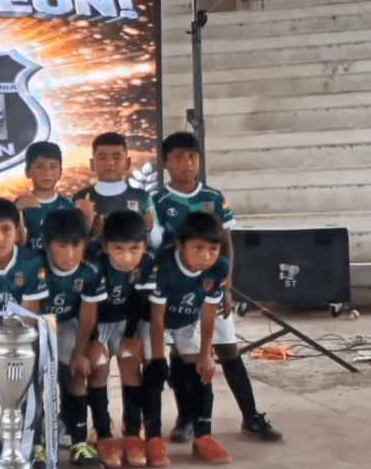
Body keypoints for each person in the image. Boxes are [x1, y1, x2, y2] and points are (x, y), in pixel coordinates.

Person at [153, 132, 281, 443]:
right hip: (179, 292)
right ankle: (186, 417)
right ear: (165, 162)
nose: (186, 163)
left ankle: (251, 416)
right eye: (178, 157)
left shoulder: (213, 197)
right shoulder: (157, 202)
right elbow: (157, 248)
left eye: (192, 157)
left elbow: (226, 244)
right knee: (183, 355)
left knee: (228, 349)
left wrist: (227, 286)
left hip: (211, 286)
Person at [144, 212, 234, 465]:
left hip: (185, 322)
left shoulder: (219, 267)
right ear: (180, 245)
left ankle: (203, 436)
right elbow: (157, 318)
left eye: (213, 249)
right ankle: (153, 438)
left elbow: (208, 314)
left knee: (201, 370)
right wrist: (158, 359)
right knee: (153, 372)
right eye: (198, 248)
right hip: (153, 321)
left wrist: (206, 354)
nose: (206, 256)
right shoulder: (163, 264)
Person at [81, 210, 156, 469]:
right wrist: (93, 341)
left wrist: (130, 337)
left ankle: (133, 432)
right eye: (118, 249)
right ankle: (103, 434)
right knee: (99, 370)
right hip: (98, 323)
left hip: (126, 321)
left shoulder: (148, 263)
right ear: (105, 246)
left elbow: (140, 300)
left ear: (145, 245)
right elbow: (87, 306)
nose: (127, 257)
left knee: (130, 367)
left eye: (135, 249)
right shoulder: (94, 262)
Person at [40, 208, 107, 467]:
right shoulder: (35, 265)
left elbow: (88, 315)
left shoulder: (90, 269)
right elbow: (30, 308)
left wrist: (79, 353)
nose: (70, 254)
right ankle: (35, 445)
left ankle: (79, 443)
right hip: (36, 324)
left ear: (86, 243)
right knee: (32, 378)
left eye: (77, 245)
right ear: (47, 245)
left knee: (81, 369)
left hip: (68, 324)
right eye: (62, 246)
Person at [73, 133, 160, 248]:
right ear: (92, 164)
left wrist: (151, 227)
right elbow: (70, 244)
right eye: (102, 158)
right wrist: (89, 226)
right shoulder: (80, 198)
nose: (110, 163)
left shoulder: (142, 197)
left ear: (127, 163)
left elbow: (157, 243)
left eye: (116, 157)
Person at [16, 142, 75, 252]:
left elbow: (77, 241)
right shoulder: (20, 204)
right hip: (30, 262)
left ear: (60, 172)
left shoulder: (70, 204)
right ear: (27, 171)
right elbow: (16, 242)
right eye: (40, 167)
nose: (47, 173)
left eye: (53, 167)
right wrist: (17, 211)